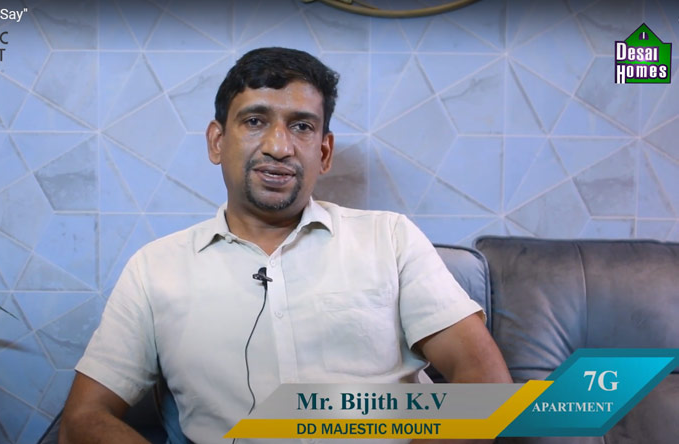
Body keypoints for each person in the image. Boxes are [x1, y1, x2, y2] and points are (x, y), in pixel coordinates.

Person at [59, 47, 511, 444]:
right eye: (255, 121)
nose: (279, 146)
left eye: (301, 126)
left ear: (324, 152)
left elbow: (486, 384)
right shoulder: (155, 268)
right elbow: (83, 419)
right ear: (217, 141)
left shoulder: (389, 238)